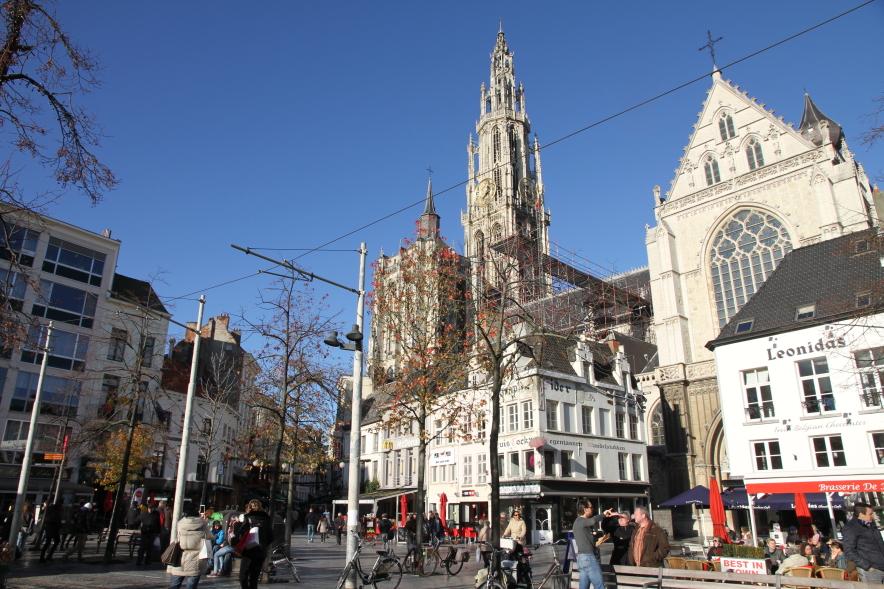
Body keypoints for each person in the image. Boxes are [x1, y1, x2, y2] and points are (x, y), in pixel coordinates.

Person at [166, 504, 210, 589]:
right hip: (196, 559)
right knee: (191, 586)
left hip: (180, 557)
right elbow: (210, 537)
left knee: (174, 585)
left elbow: (176, 538)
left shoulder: (180, 524)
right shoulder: (203, 524)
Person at [235, 499, 274, 589]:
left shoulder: (248, 517)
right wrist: (263, 545)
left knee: (243, 576)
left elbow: (240, 534)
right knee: (254, 578)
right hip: (261, 552)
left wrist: (237, 524)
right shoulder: (267, 518)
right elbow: (271, 537)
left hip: (248, 551)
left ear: (249, 507)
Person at [841, 502, 884, 583]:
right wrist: (867, 566)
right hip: (871, 570)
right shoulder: (851, 528)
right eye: (870, 514)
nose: (873, 516)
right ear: (861, 515)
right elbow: (849, 551)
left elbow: (880, 544)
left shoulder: (871, 525)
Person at [572, 500, 609, 589]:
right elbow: (592, 521)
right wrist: (603, 514)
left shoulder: (579, 522)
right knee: (600, 586)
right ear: (585, 509)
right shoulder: (581, 520)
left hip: (582, 558)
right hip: (588, 557)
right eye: (591, 507)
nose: (593, 509)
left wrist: (597, 540)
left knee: (583, 587)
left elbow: (587, 540)